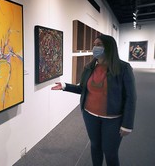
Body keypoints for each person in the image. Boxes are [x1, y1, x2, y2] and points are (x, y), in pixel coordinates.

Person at [51, 34, 136, 166]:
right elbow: (83, 89)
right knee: (95, 146)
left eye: (99, 45)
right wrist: (65, 86)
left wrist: (127, 124)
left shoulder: (123, 68)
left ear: (109, 47)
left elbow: (131, 97)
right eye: (94, 44)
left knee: (110, 152)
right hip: (90, 115)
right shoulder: (89, 67)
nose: (95, 47)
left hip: (113, 118)